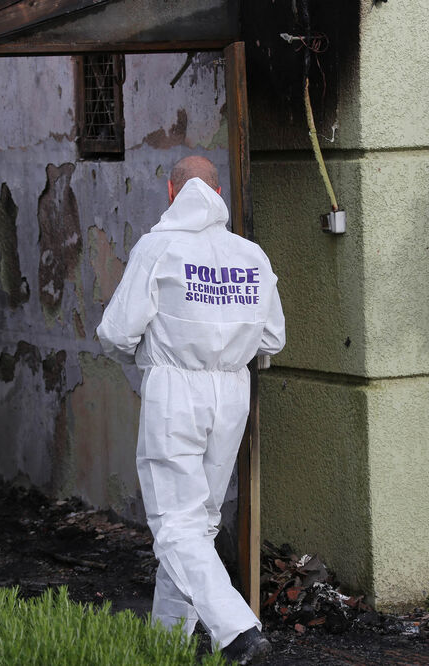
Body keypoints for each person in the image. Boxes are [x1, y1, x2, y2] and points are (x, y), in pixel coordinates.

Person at [96, 156, 285, 664]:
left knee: (175, 524)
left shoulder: (160, 247)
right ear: (218, 191)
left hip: (175, 392)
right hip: (232, 394)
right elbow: (273, 338)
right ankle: (166, 647)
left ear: (170, 191)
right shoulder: (251, 255)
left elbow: (115, 332)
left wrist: (150, 358)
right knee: (196, 523)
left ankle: (239, 630)